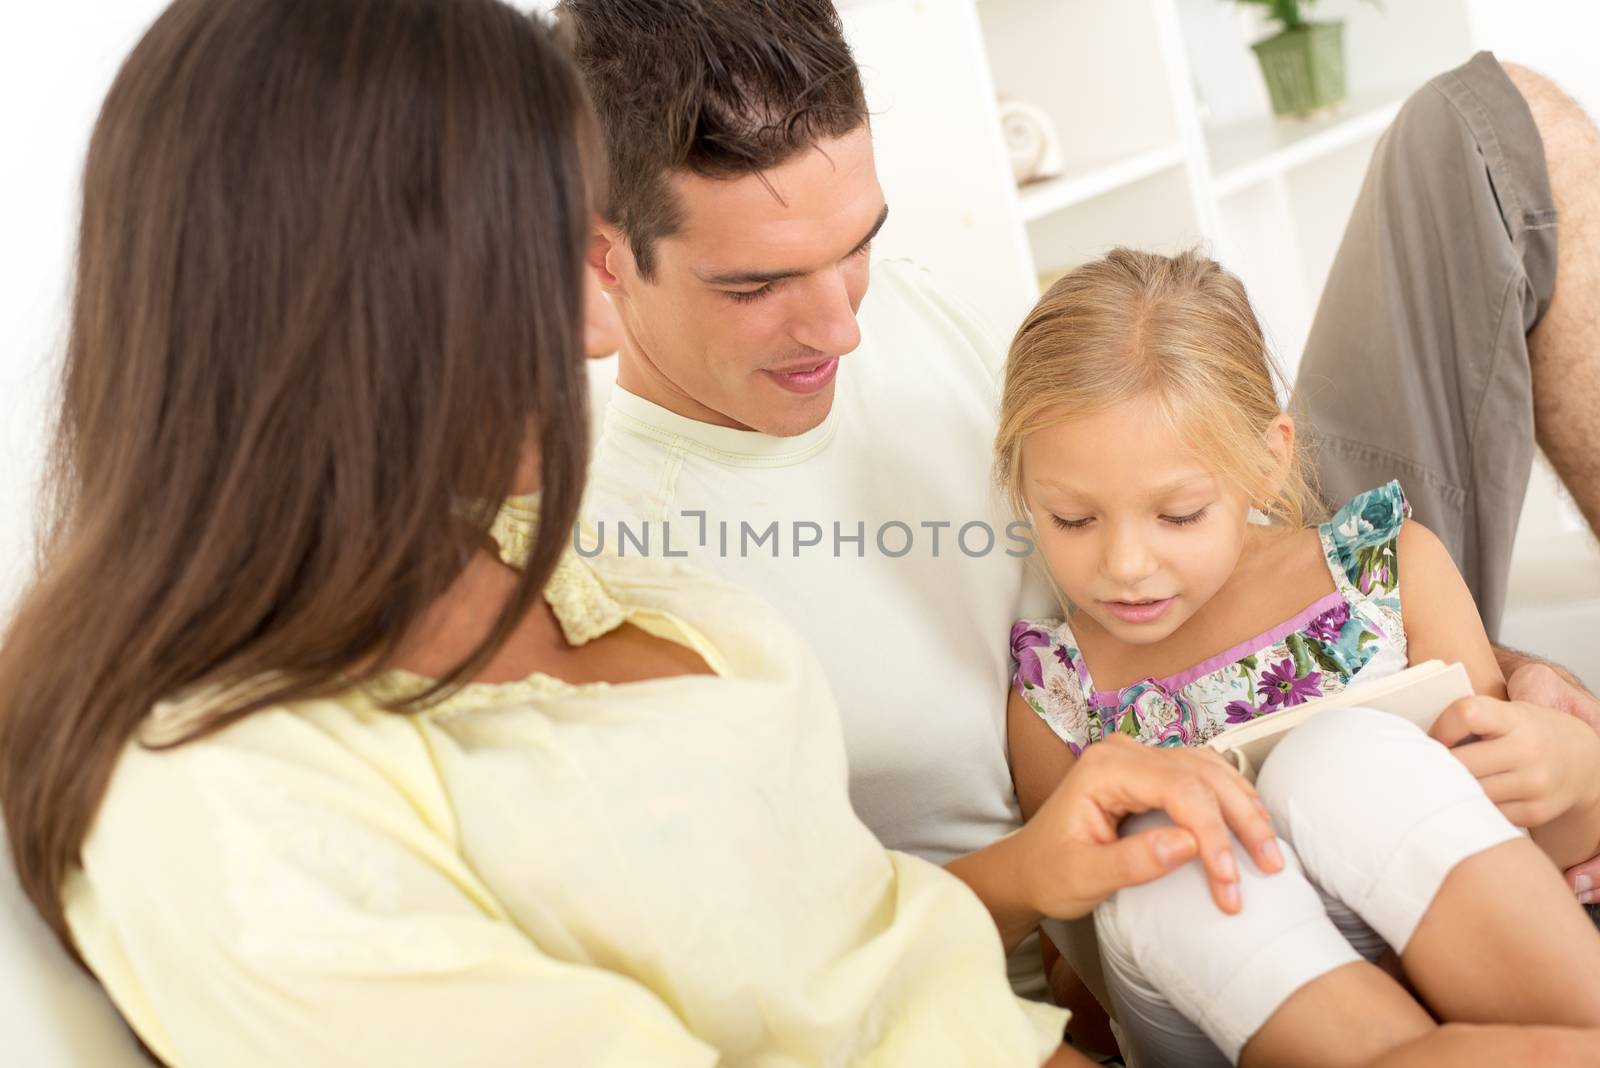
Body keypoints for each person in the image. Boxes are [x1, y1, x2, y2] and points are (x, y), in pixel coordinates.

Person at [0, 1, 1305, 1065]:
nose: (595, 329)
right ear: (370, 318)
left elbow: (839, 955)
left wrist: (1045, 869)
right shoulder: (222, 790)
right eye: (555, 258)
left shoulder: (558, 573)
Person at [559, 3, 1600, 1011]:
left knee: (1503, 133)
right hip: (1138, 910)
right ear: (608, 257)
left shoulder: (911, 309)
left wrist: (1487, 675)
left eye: (857, 245)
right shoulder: (600, 566)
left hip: (1268, 657)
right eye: (756, 288)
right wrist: (1032, 878)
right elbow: (757, 978)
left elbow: (1155, 474)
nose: (841, 329)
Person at [998, 246, 1600, 1066]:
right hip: (1216, 1003)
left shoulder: (1383, 573)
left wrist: (1578, 775)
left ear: (1268, 460)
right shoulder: (1056, 696)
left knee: (1342, 758)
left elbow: (1521, 827)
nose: (1127, 564)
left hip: (1458, 956)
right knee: (1166, 841)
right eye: (1072, 520)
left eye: (1178, 514)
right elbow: (1082, 975)